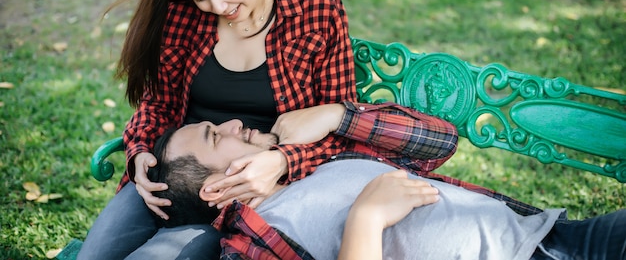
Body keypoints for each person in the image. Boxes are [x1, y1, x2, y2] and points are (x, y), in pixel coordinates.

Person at [78, 0, 357, 260]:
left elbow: (343, 128)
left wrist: (284, 161)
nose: (217, 6)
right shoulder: (183, 16)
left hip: (247, 191)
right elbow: (157, 105)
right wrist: (140, 154)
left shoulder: (318, 12)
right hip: (171, 178)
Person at [150, 102, 626, 260]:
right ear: (213, 190)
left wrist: (338, 116)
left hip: (554, 236)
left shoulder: (312, 157)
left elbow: (441, 140)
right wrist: (366, 220)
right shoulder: (250, 245)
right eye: (216, 136)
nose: (234, 124)